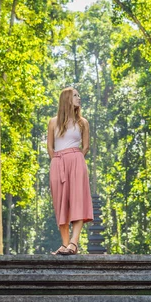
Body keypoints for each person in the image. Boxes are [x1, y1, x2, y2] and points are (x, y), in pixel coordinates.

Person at [47, 87, 94, 255]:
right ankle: (66, 244)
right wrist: (58, 161)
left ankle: (74, 242)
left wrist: (76, 158)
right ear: (67, 98)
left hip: (76, 161)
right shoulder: (53, 122)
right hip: (58, 162)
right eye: (75, 95)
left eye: (79, 95)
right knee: (61, 203)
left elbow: (86, 146)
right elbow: (50, 147)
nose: (79, 98)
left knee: (78, 201)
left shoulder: (83, 122)